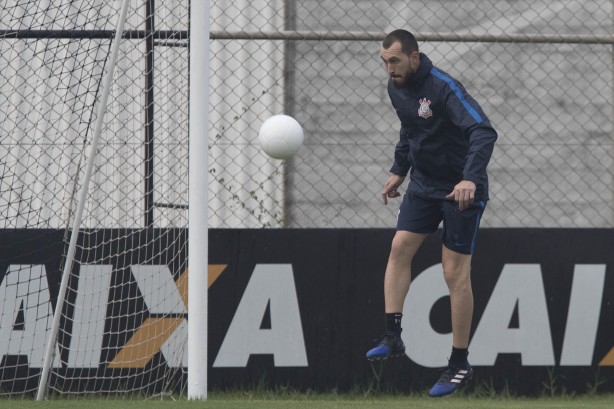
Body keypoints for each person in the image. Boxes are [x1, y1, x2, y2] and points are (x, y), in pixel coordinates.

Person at [366, 29, 498, 398]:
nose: (389, 68)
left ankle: (459, 363)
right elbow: (410, 131)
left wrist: (470, 178)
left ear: (415, 57)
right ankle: (393, 336)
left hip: (460, 190)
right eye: (384, 61)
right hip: (424, 185)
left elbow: (483, 131)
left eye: (394, 60)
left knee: (453, 272)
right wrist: (398, 171)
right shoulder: (396, 88)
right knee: (399, 248)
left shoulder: (443, 87)